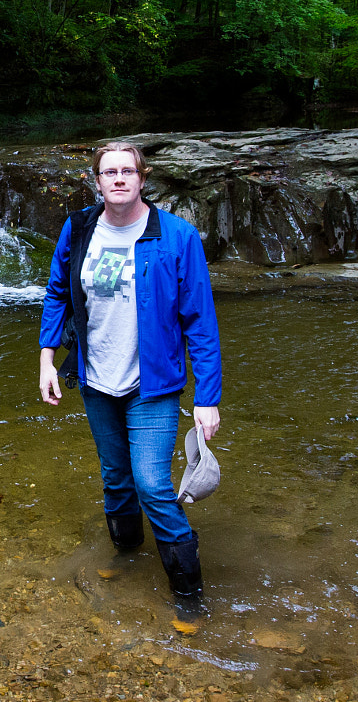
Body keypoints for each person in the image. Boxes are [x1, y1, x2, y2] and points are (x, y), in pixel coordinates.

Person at [38, 140, 223, 619]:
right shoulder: (78, 228)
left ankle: (189, 592)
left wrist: (208, 397)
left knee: (152, 485)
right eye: (108, 172)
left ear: (143, 179)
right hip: (96, 379)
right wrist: (47, 359)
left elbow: (200, 320)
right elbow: (58, 291)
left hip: (152, 384)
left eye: (127, 171)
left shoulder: (177, 237)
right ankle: (127, 554)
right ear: (96, 181)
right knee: (115, 478)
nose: (118, 179)